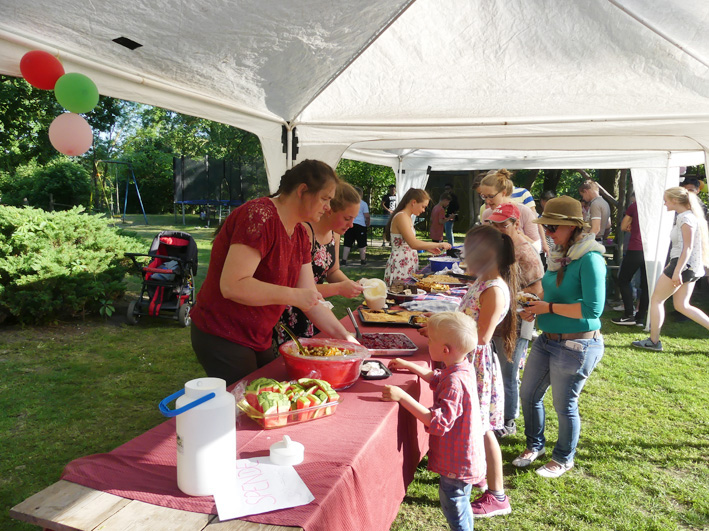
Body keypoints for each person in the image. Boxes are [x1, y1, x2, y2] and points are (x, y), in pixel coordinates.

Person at [190, 160, 358, 385]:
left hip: (258, 336)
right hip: (222, 332)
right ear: (302, 191)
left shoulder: (299, 233)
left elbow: (310, 298)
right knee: (251, 404)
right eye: (325, 199)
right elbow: (233, 285)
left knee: (271, 391)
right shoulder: (259, 215)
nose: (328, 207)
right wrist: (293, 295)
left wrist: (346, 338)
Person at [515, 196, 606, 478]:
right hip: (548, 339)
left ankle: (564, 458)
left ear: (574, 227)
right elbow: (551, 293)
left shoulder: (590, 259)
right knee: (528, 394)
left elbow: (593, 309)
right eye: (547, 227)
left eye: (553, 227)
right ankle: (535, 445)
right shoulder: (558, 257)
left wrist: (548, 308)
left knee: (564, 404)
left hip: (577, 344)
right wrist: (534, 307)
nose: (549, 234)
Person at [381, 312, 485, 531]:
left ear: (445, 350)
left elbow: (438, 422)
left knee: (454, 506)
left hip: (457, 463)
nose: (427, 343)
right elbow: (436, 377)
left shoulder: (455, 382)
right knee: (462, 502)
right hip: (464, 458)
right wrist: (409, 366)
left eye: (430, 341)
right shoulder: (461, 367)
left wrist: (403, 397)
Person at [457, 225, 518, 518]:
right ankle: (479, 474)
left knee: (482, 429)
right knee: (473, 425)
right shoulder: (483, 280)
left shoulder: (494, 288)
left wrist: (446, 331)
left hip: (475, 364)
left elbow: (481, 337)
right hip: (467, 360)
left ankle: (497, 495)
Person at [277, 182, 365, 345]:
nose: (351, 225)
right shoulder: (303, 233)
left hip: (317, 309)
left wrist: (350, 284)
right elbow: (296, 288)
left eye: (354, 219)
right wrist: (339, 288)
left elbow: (332, 271)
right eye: (347, 218)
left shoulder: (335, 234)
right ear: (329, 209)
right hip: (291, 313)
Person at [486, 203, 544, 437]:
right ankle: (498, 414)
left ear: (516, 224)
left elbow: (537, 291)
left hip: (516, 321)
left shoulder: (525, 252)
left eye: (503, 224)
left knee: (507, 372)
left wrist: (518, 308)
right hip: (500, 319)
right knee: (497, 369)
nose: (498, 228)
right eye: (494, 224)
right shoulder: (505, 245)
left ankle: (509, 420)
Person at [632, 187, 709, 351]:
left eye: (666, 199)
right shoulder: (688, 217)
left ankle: (653, 341)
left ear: (675, 200)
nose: (664, 203)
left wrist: (676, 271)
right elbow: (684, 248)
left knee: (657, 300)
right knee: (682, 306)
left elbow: (686, 248)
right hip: (689, 267)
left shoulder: (684, 218)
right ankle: (653, 341)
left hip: (683, 267)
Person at [383, 188, 450, 285]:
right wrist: (439, 244)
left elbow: (408, 242)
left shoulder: (407, 217)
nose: (423, 210)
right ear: (414, 202)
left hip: (407, 263)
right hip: (400, 265)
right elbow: (413, 243)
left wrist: (427, 248)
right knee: (400, 294)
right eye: (423, 206)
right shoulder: (401, 216)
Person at [478, 169, 543, 253]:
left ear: (503, 192)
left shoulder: (524, 211)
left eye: (491, 196)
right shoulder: (487, 214)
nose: (487, 201)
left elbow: (537, 247)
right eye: (484, 196)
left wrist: (519, 236)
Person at [611, 196, 648, 327]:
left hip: (636, 248)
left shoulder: (635, 206)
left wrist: (631, 227)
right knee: (645, 285)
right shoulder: (658, 206)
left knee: (623, 279)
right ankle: (641, 318)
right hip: (651, 250)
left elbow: (623, 226)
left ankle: (628, 315)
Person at [341, 186, 370, 266]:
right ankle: (363, 260)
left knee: (347, 243)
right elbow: (367, 216)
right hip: (360, 225)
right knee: (362, 244)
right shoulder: (363, 204)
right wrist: (368, 223)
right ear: (361, 194)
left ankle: (344, 260)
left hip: (350, 224)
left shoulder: (348, 203)